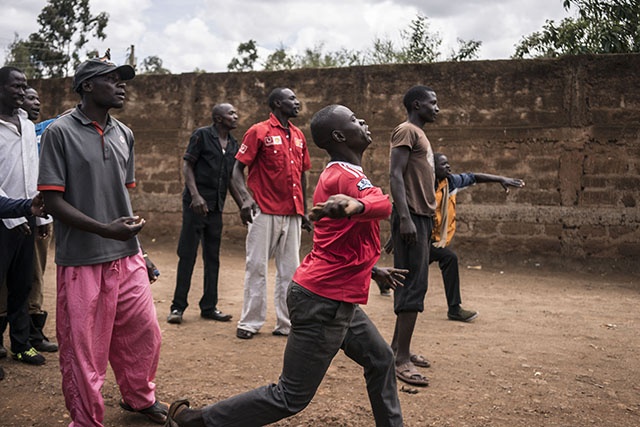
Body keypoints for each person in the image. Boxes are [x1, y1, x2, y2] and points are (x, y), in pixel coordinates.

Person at [164, 104, 406, 427]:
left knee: (381, 359)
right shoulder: (345, 177)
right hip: (324, 303)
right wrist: (360, 204)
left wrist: (372, 269)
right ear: (339, 136)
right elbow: (383, 204)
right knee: (289, 396)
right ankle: (192, 422)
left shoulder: (341, 175)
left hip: (336, 299)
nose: (362, 121)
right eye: (353, 120)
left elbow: (334, 245)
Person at [37, 53, 167, 426]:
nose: (122, 85)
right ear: (87, 86)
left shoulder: (124, 133)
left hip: (126, 256)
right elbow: (52, 201)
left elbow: (122, 199)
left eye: (123, 80)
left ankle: (140, 398)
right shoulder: (59, 132)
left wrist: (140, 253)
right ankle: (86, 419)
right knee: (85, 352)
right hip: (81, 260)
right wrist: (104, 229)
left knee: (144, 333)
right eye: (112, 79)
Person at [229, 87, 312, 339]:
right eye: (292, 99)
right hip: (264, 210)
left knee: (291, 270)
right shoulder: (258, 131)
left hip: (293, 213)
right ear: (277, 103)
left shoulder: (298, 135)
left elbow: (303, 174)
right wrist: (245, 200)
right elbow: (236, 171)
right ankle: (250, 322)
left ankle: (287, 323)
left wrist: (305, 210)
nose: (298, 102)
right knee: (257, 267)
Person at [167, 103, 240, 324]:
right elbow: (188, 166)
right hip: (195, 206)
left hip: (216, 207)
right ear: (218, 118)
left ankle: (209, 306)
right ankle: (178, 307)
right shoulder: (201, 135)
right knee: (187, 255)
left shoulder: (234, 144)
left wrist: (242, 204)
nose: (236, 116)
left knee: (213, 257)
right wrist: (196, 196)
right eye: (231, 113)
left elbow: (230, 179)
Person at [430, 153, 525, 322]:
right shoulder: (422, 186)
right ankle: (453, 309)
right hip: (421, 239)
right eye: (443, 165)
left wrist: (500, 179)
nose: (448, 167)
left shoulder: (450, 183)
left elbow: (474, 177)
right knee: (415, 271)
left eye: (448, 164)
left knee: (444, 260)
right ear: (432, 167)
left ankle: (454, 309)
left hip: (437, 241)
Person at [388, 85, 439, 387]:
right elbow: (395, 175)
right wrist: (404, 218)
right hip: (413, 217)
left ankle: (398, 348)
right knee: (412, 288)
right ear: (417, 104)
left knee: (415, 285)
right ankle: (400, 360)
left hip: (420, 217)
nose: (437, 108)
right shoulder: (406, 130)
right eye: (433, 103)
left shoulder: (418, 134)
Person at [0, 66, 48, 367]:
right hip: (4, 219)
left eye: (25, 86)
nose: (22, 92)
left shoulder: (28, 126)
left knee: (22, 285)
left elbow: (33, 175)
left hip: (27, 219)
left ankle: (21, 345)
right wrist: (15, 216)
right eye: (15, 87)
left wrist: (38, 218)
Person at [19, 86, 58, 352]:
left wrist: (44, 220)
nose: (37, 103)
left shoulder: (42, 132)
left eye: (38, 98)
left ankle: (33, 331)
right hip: (11, 213)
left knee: (35, 273)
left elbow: (69, 115)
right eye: (31, 98)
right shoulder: (11, 133)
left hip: (39, 215)